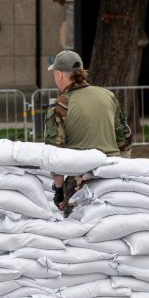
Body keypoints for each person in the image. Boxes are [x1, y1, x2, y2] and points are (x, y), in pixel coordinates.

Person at [44, 50, 132, 215]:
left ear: (59, 75)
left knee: (78, 231)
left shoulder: (60, 105)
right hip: (110, 174)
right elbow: (125, 137)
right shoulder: (108, 95)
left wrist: (59, 189)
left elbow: (54, 150)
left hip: (79, 180)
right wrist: (122, 166)